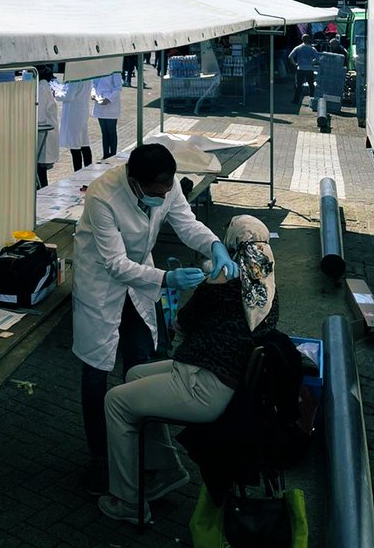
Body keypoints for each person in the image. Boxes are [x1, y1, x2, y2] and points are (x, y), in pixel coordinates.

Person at [72, 142, 239, 494]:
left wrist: (214, 246)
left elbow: (186, 224)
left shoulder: (167, 183)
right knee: (96, 370)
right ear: (134, 181)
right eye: (155, 191)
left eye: (167, 188)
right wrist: (167, 278)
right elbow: (115, 264)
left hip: (140, 282)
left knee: (138, 360)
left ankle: (142, 453)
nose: (162, 197)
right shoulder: (103, 196)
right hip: (102, 284)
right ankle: (101, 458)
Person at [99, 214, 278, 524]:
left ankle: (129, 502)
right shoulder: (266, 288)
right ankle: (166, 470)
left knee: (115, 400)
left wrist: (204, 282)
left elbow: (183, 321)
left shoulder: (223, 284)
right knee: (134, 374)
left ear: (232, 245)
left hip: (204, 385)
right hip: (212, 374)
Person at [55, 76, 93, 172]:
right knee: (84, 143)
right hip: (81, 111)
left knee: (75, 145)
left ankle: (78, 172)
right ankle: (89, 169)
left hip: (74, 114)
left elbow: (68, 95)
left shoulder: (75, 77)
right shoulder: (86, 76)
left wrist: (55, 93)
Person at [36, 65, 59, 189]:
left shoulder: (41, 87)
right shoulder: (44, 86)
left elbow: (39, 116)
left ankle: (43, 192)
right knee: (40, 170)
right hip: (47, 131)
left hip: (44, 132)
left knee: (39, 169)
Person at [91, 72, 123, 160]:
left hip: (111, 105)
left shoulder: (115, 71)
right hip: (99, 102)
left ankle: (113, 155)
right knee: (104, 132)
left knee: (111, 131)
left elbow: (118, 88)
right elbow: (94, 84)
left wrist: (109, 99)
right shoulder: (98, 69)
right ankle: (105, 154)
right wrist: (93, 93)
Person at [288, 34, 321, 103]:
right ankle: (312, 100)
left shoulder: (298, 48)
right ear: (309, 39)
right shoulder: (312, 48)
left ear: (302, 39)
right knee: (311, 85)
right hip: (309, 69)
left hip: (300, 69)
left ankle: (296, 100)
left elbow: (290, 56)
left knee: (299, 85)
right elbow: (318, 59)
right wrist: (312, 63)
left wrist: (295, 64)